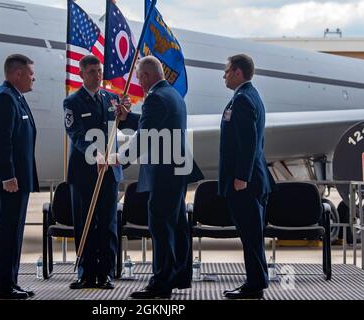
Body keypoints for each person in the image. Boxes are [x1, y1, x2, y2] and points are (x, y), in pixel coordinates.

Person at [117, 56, 204, 299]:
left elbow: (145, 136)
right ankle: (178, 276)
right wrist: (128, 118)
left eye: (139, 78)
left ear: (146, 76)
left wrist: (120, 159)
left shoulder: (155, 98)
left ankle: (160, 283)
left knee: (160, 226)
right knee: (176, 226)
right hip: (176, 170)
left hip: (164, 173)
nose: (138, 82)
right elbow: (156, 124)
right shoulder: (172, 94)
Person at [63, 55, 133, 290]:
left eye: (99, 70)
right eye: (92, 71)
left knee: (107, 225)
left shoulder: (112, 98)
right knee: (85, 224)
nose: (98, 75)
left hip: (109, 174)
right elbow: (76, 133)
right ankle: (85, 274)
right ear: (81, 74)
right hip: (84, 174)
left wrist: (125, 115)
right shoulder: (72, 102)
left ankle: (105, 273)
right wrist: (95, 154)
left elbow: (122, 123)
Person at [0, 54, 39, 299]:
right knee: (5, 234)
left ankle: (8, 283)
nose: (34, 78)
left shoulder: (16, 97)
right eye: (31, 73)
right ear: (18, 74)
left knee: (12, 233)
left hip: (16, 179)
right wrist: (7, 176)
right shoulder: (5, 98)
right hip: (8, 180)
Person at [219, 53, 275, 299]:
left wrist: (242, 176)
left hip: (246, 183)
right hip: (253, 180)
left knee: (251, 236)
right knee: (252, 236)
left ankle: (254, 286)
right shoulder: (250, 95)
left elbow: (248, 141)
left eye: (227, 70)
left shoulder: (243, 99)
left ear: (238, 72)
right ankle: (256, 282)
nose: (224, 75)